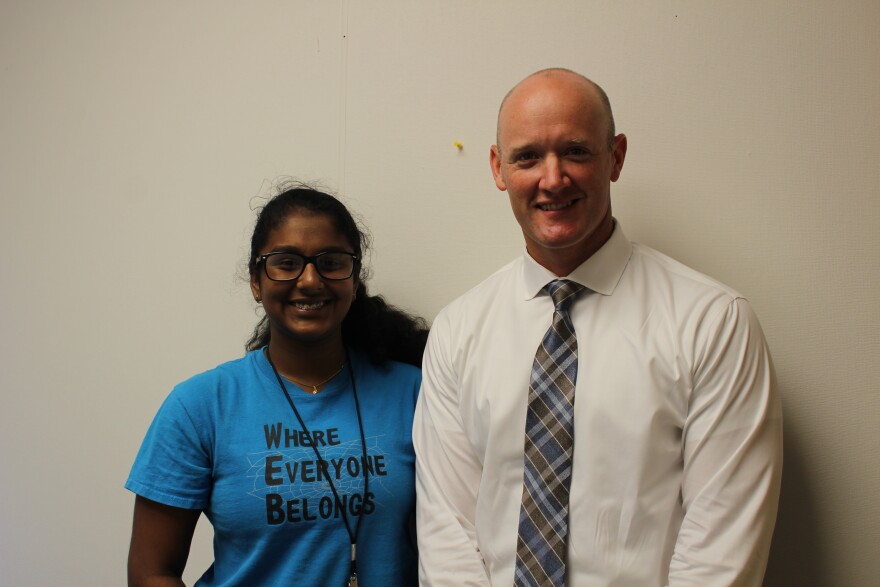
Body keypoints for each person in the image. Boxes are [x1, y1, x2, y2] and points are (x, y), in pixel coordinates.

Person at [413, 68, 782, 586]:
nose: (552, 178)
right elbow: (447, 535)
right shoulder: (457, 332)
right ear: (498, 168)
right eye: (527, 156)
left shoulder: (713, 323)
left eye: (577, 151)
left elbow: (720, 556)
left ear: (616, 156)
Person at [126, 183, 428, 586]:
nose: (309, 280)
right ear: (256, 280)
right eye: (286, 263)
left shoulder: (415, 393)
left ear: (354, 280)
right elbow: (151, 572)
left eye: (331, 262)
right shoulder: (199, 406)